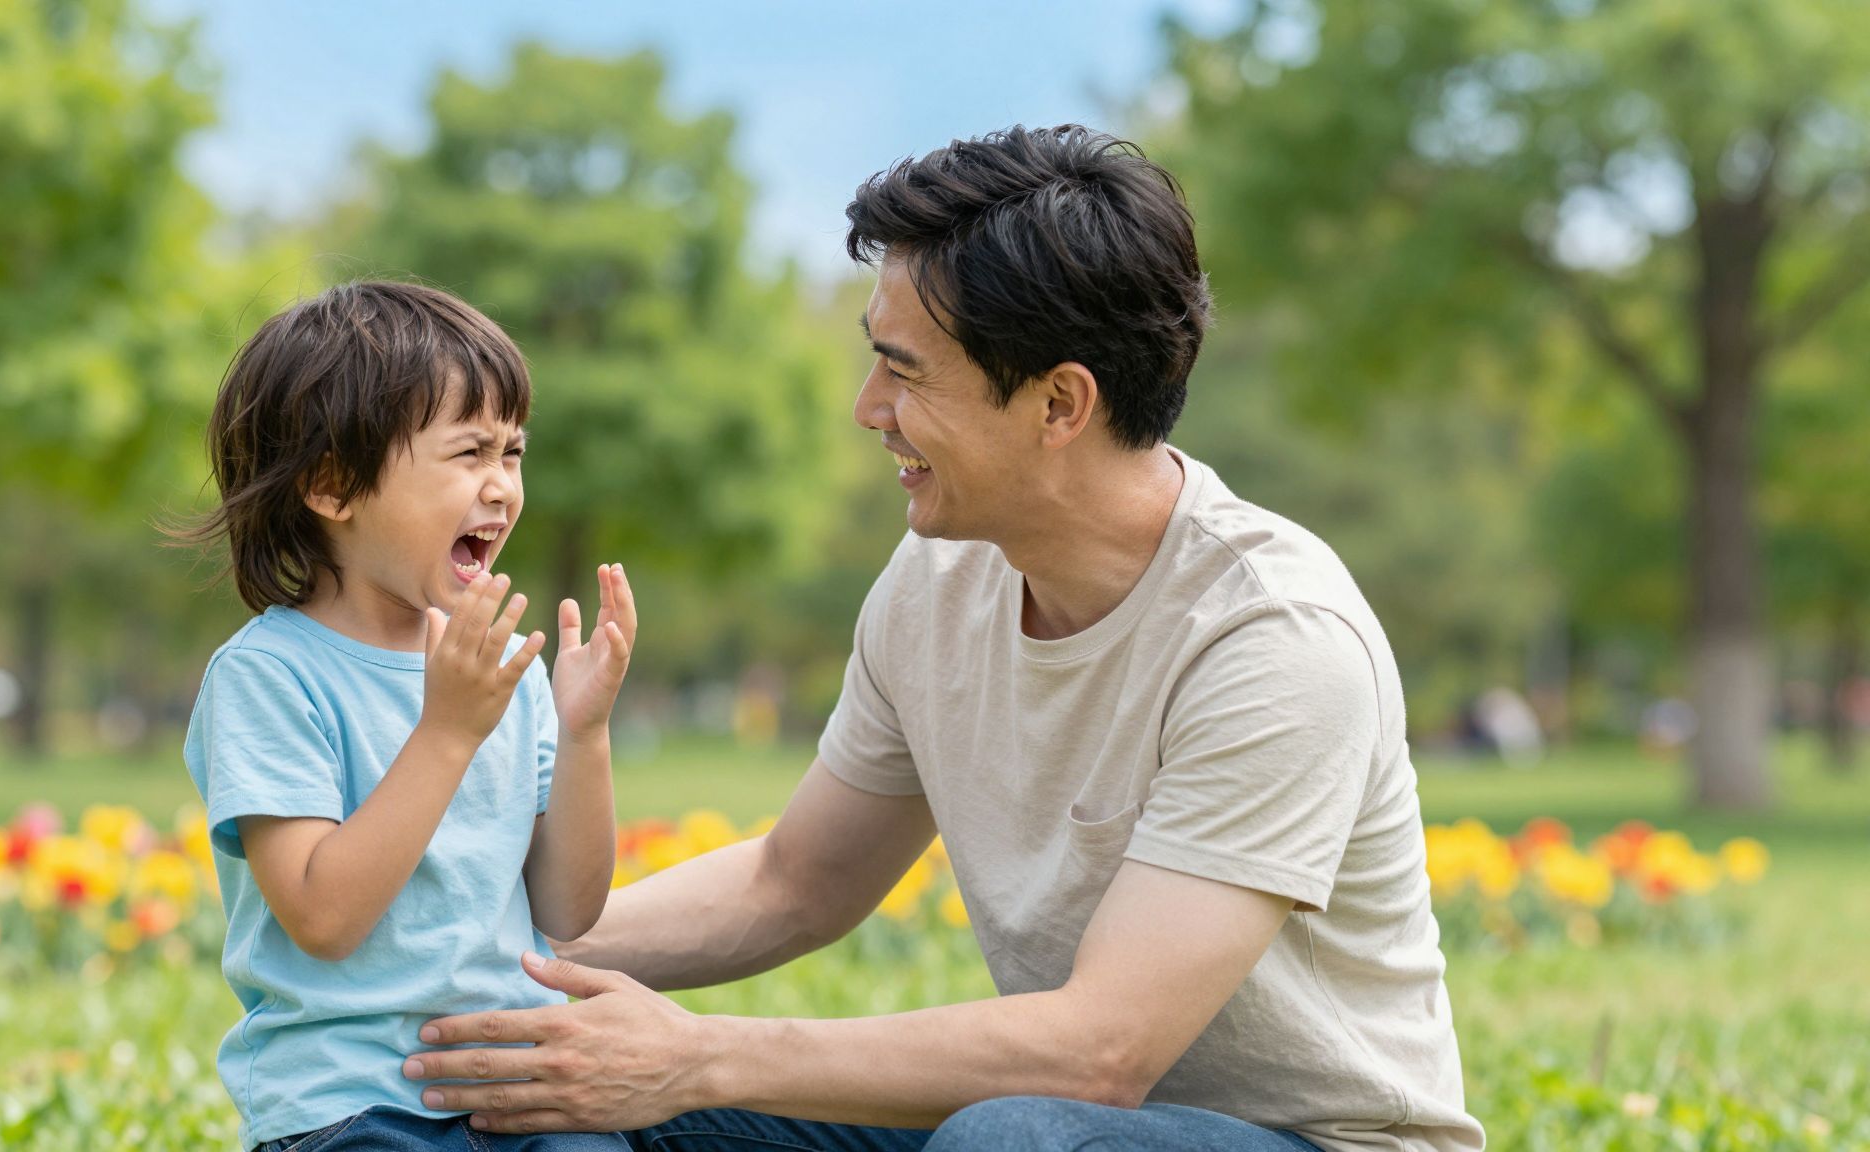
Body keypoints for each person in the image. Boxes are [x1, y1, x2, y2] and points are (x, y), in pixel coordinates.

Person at [400, 126, 1485, 1152]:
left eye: (906, 371)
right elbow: (794, 883)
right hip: (1053, 1123)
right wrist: (484, 954)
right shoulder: (940, 574)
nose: (868, 409)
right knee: (571, 1104)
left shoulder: (1270, 638)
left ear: (1059, 404)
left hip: (1308, 1139)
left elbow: (1101, 1052)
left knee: (1009, 1135)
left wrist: (701, 1056)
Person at [180, 281, 638, 1152]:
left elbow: (568, 906)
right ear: (331, 484)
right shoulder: (270, 676)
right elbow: (323, 917)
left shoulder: (504, 667)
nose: (502, 485)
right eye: (469, 453)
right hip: (349, 1105)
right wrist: (448, 731)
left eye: (513, 452)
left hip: (515, 1085)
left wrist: (584, 734)